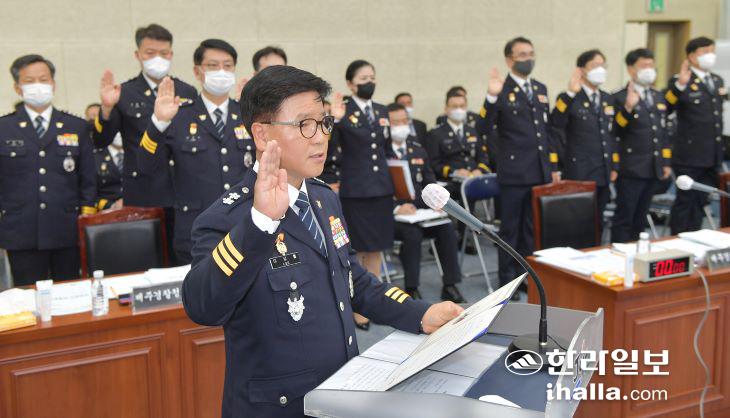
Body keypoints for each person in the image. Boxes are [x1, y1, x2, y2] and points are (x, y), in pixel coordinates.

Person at [181, 65, 462, 417]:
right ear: (262, 134)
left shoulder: (323, 198)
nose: (320, 138)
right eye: (304, 124)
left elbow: (352, 279)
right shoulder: (229, 217)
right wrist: (260, 223)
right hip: (279, 408)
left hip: (340, 393)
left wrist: (420, 313)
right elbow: (202, 307)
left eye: (324, 122)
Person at [137, 39, 254, 264]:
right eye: (213, 65)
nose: (221, 71)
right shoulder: (179, 115)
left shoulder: (246, 115)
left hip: (243, 229)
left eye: (228, 66)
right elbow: (145, 166)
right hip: (195, 232)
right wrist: (159, 123)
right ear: (197, 72)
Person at [93, 24, 197, 263]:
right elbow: (101, 140)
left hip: (181, 191)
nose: (158, 58)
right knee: (145, 261)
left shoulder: (187, 91)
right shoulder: (125, 92)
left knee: (182, 261)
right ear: (137, 55)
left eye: (164, 53)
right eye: (150, 53)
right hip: (143, 191)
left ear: (171, 54)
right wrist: (106, 108)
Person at [0, 55, 96, 286]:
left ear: (53, 84)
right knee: (27, 297)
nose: (38, 85)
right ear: (17, 87)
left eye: (43, 79)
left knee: (70, 294)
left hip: (66, 228)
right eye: (29, 81)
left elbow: (88, 179)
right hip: (21, 230)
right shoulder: (4, 128)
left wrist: (85, 218)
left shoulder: (76, 126)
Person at [480, 36, 560, 292]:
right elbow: (483, 127)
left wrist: (553, 167)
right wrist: (491, 98)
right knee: (510, 230)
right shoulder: (501, 89)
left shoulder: (539, 88)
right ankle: (507, 281)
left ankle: (526, 276)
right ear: (509, 60)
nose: (528, 59)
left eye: (531, 54)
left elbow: (546, 132)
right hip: (514, 173)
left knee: (531, 229)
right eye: (522, 55)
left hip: (539, 170)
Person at [329, 60, 395, 330]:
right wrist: (335, 120)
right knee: (358, 248)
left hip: (381, 188)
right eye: (363, 78)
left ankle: (375, 300)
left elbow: (386, 148)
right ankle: (358, 304)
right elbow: (330, 148)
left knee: (376, 247)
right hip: (356, 189)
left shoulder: (381, 110)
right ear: (350, 83)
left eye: (372, 77)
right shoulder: (343, 110)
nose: (369, 82)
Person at [387, 103, 465, 302]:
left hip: (421, 211)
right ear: (386, 125)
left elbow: (430, 183)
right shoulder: (379, 152)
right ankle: (411, 288)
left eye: (404, 121)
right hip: (394, 214)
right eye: (396, 122)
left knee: (447, 227)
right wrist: (397, 208)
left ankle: (450, 285)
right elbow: (375, 190)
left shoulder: (417, 149)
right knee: (412, 234)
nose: (401, 126)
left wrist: (436, 204)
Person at [550, 49, 618, 230]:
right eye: (595, 65)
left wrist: (614, 165)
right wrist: (570, 93)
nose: (600, 69)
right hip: (580, 170)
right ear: (581, 70)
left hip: (603, 169)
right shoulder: (570, 97)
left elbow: (611, 135)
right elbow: (555, 122)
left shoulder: (607, 98)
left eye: (603, 65)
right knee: (578, 220)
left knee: (598, 220)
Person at [611, 48, 672, 243]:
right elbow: (615, 130)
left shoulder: (658, 96)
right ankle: (620, 254)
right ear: (631, 69)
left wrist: (665, 161)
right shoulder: (619, 97)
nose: (649, 69)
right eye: (644, 65)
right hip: (631, 168)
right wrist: (628, 108)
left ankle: (637, 253)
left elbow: (663, 133)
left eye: (651, 65)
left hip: (653, 167)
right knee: (625, 217)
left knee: (641, 218)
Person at [666, 37, 726, 234]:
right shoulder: (680, 80)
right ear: (691, 56)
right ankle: (678, 240)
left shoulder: (716, 80)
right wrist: (680, 85)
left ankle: (694, 240)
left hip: (712, 155)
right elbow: (666, 107)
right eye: (704, 52)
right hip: (689, 155)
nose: (710, 55)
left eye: (712, 51)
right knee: (685, 202)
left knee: (701, 201)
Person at [86, 103, 124, 211]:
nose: (119, 132)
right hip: (107, 212)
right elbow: (89, 192)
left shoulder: (137, 152)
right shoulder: (93, 157)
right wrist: (110, 205)